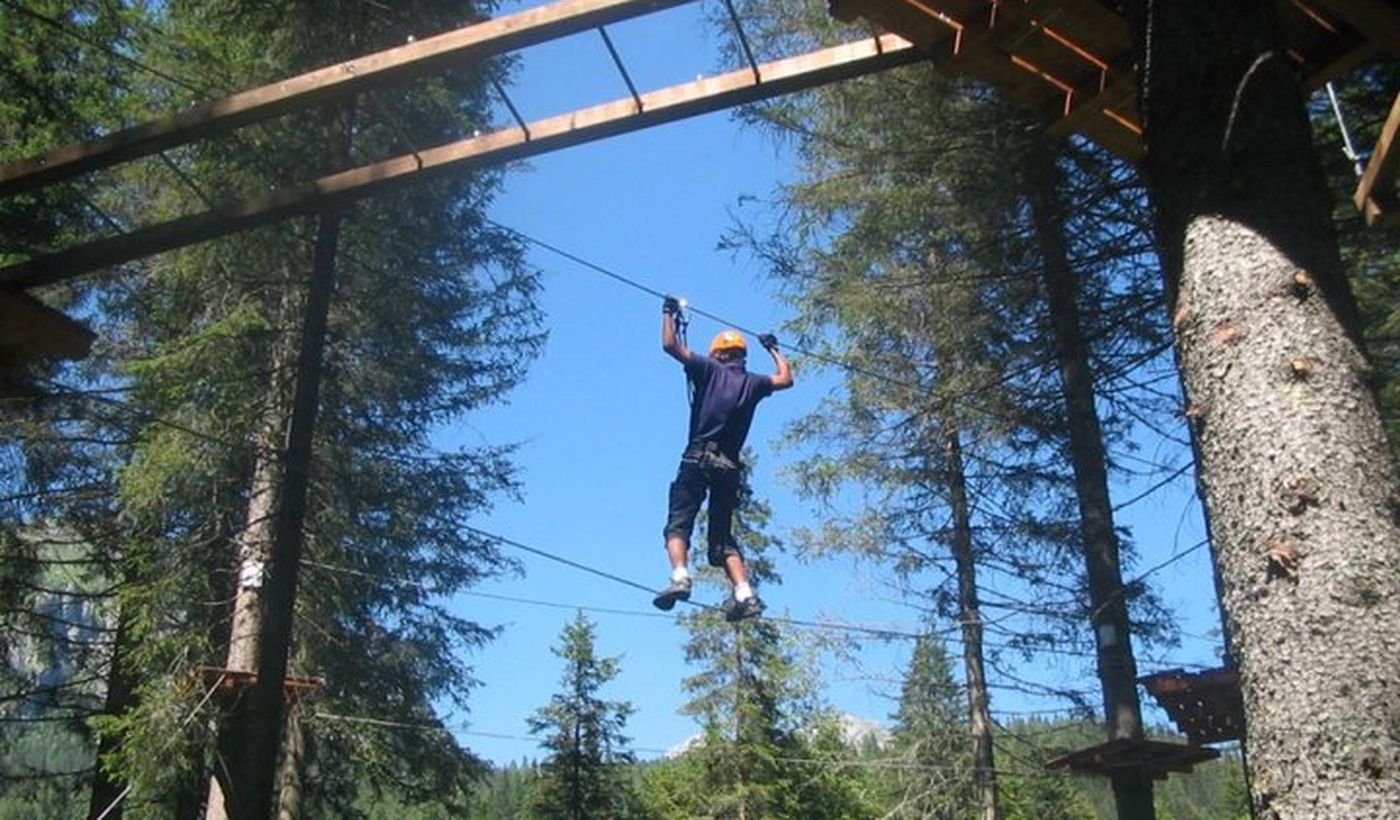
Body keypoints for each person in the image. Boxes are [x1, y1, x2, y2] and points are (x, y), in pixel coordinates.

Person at [653, 295, 793, 621]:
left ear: (717, 354)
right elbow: (786, 378)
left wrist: (668, 313)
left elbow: (670, 345)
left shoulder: (708, 369)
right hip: (729, 468)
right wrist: (774, 349)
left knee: (678, 524)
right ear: (742, 355)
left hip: (698, 457)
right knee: (722, 539)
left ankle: (680, 578)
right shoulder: (754, 383)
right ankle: (745, 594)